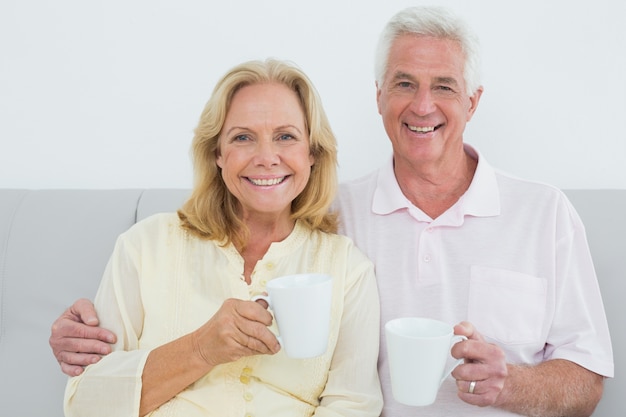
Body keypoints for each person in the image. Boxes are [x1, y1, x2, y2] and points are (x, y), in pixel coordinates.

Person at [50, 6, 613, 417]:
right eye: (403, 84)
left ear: (473, 101)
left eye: (443, 86)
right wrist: (78, 336)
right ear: (378, 97)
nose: (422, 104)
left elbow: (587, 384)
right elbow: (88, 394)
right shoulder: (331, 214)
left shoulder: (542, 214)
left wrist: (510, 384)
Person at [61, 58, 383, 417]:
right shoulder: (144, 245)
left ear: (312, 153)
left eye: (286, 136)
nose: (265, 157)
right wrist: (200, 349)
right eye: (243, 137)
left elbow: (354, 406)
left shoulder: (346, 269)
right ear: (217, 152)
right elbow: (85, 403)